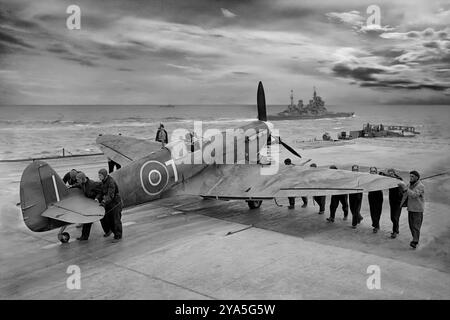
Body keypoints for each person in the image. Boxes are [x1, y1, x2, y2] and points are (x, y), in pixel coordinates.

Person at [399, 170, 425, 249]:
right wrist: (402, 188)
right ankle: (415, 238)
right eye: (410, 176)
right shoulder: (410, 184)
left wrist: (406, 189)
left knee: (416, 226)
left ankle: (415, 241)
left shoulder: (421, 186)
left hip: (417, 209)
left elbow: (414, 195)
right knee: (411, 226)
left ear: (417, 177)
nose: (410, 178)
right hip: (410, 208)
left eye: (412, 176)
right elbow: (405, 193)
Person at [96, 168, 123, 242]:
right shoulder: (103, 182)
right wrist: (97, 199)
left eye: (100, 175)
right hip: (109, 203)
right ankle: (110, 231)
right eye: (99, 175)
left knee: (116, 220)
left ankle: (118, 236)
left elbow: (110, 195)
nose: (99, 177)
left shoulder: (111, 182)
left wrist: (104, 201)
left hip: (115, 203)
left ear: (104, 175)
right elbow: (101, 192)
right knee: (109, 219)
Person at [74, 172, 102, 241]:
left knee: (103, 219)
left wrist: (97, 198)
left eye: (78, 179)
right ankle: (84, 236)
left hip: (95, 204)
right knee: (87, 220)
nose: (77, 181)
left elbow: (100, 192)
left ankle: (110, 231)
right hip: (89, 205)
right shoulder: (82, 184)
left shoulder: (92, 184)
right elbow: (78, 185)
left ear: (83, 179)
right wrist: (70, 187)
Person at [381, 168, 404, 238]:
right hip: (392, 201)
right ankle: (396, 230)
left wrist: (386, 176)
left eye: (391, 173)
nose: (390, 174)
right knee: (393, 217)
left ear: (394, 173)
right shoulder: (389, 180)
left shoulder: (399, 179)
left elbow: (397, 181)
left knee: (395, 217)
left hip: (398, 201)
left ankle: (394, 232)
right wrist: (382, 175)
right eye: (389, 173)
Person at [368, 167, 383, 233]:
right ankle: (376, 225)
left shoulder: (379, 178)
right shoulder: (368, 178)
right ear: (370, 172)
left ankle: (376, 225)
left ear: (376, 172)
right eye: (371, 171)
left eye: (374, 171)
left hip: (379, 195)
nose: (372, 172)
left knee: (378, 211)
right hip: (371, 195)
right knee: (372, 211)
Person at [349, 164, 363, 228]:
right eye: (354, 169)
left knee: (356, 209)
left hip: (358, 194)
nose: (355, 170)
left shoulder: (360, 176)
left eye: (356, 169)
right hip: (351, 193)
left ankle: (354, 224)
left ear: (358, 170)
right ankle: (359, 217)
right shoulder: (350, 176)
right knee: (352, 208)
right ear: (352, 170)